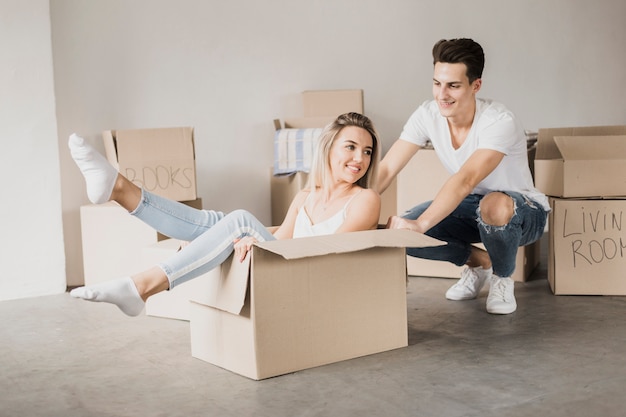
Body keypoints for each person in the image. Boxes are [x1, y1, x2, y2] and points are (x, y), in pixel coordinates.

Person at [69, 112, 381, 316]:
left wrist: (252, 240)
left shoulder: (365, 199)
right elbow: (282, 240)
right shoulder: (305, 195)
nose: (359, 158)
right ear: (328, 150)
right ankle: (119, 189)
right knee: (222, 224)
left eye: (367, 152)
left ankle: (143, 281)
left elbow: (329, 252)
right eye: (350, 147)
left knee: (240, 221)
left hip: (313, 279)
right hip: (287, 268)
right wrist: (239, 242)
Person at [378, 38, 549, 315]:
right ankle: (481, 262)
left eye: (453, 86)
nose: (442, 94)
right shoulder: (427, 114)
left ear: (475, 85)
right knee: (402, 232)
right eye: (437, 83)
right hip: (471, 208)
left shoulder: (499, 121)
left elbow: (466, 178)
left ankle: (502, 278)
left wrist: (422, 223)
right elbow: (386, 168)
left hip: (522, 213)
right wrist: (352, 204)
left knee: (492, 204)